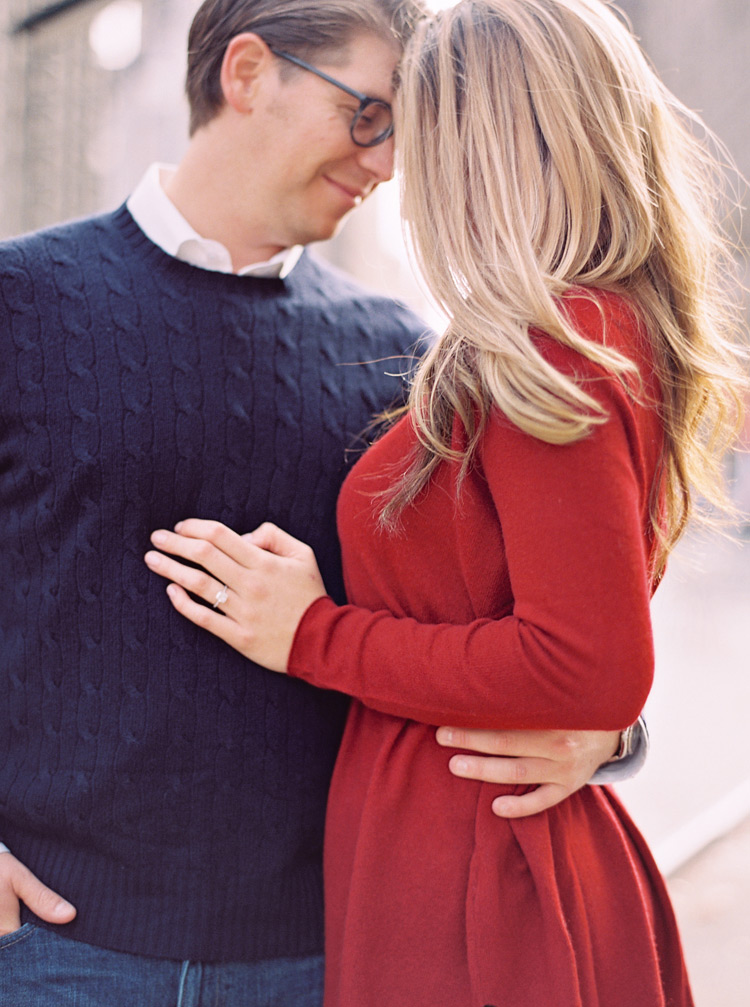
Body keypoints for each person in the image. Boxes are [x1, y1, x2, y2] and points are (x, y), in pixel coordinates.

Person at [0, 1, 639, 1003]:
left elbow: (546, 623)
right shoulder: (18, 301)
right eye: (369, 115)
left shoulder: (407, 361)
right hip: (51, 951)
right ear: (249, 74)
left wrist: (608, 734)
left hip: (322, 957)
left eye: (405, 134)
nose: (388, 164)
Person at [144, 0, 748, 1005]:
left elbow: (589, 663)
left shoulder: (558, 345)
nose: (394, 176)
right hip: (464, 858)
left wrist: (312, 633)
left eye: (409, 134)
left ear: (480, 148)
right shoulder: (566, 337)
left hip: (481, 889)